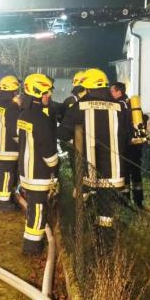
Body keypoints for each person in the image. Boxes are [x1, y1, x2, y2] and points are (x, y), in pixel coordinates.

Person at [58, 68, 130, 233]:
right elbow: (128, 135)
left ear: (88, 87)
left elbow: (62, 133)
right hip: (113, 168)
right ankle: (105, 238)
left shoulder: (80, 106)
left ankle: (79, 226)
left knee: (82, 197)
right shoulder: (119, 107)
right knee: (106, 207)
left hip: (86, 168)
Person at [17, 73, 59, 255]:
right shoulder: (40, 119)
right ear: (36, 93)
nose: (48, 95)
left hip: (26, 171)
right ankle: (33, 247)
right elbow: (48, 149)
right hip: (39, 173)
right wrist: (55, 167)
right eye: (45, 92)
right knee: (38, 209)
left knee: (33, 208)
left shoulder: (24, 114)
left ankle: (29, 242)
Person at [110, 81, 145, 208]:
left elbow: (119, 126)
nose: (111, 93)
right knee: (136, 172)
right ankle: (139, 201)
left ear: (119, 91)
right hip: (136, 144)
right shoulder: (132, 104)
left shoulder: (117, 105)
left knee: (124, 172)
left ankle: (125, 201)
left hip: (125, 144)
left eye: (112, 91)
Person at [0, 75, 21, 212]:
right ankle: (3, 203)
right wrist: (21, 142)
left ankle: (6, 199)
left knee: (5, 172)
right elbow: (14, 128)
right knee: (8, 174)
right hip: (8, 146)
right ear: (13, 89)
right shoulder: (12, 106)